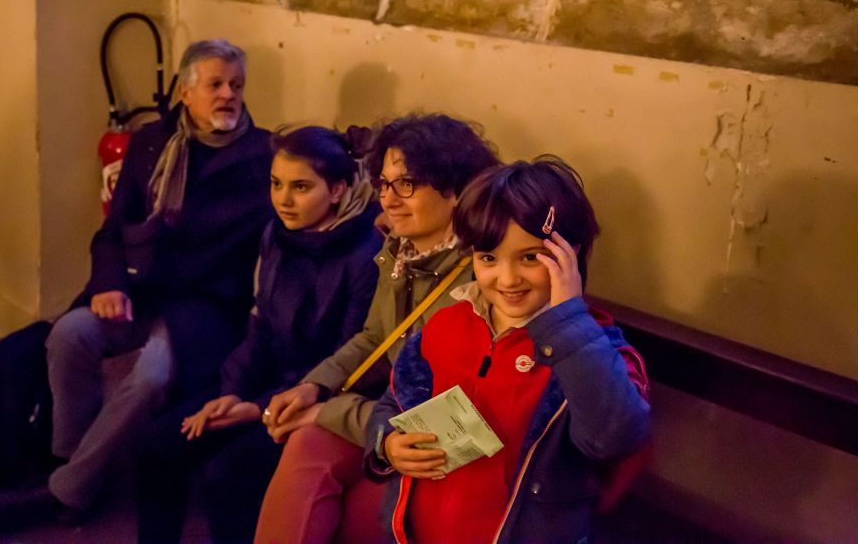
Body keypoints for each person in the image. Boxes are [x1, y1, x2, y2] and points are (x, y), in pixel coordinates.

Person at [0, 39, 274, 532]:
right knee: (69, 335)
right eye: (216, 85)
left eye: (236, 85)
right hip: (142, 289)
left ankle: (65, 493)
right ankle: (74, 461)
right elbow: (114, 229)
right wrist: (109, 283)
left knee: (152, 378)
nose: (229, 95)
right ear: (185, 92)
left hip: (203, 308)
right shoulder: (152, 143)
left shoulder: (261, 158)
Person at [366, 158, 652, 544]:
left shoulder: (595, 349)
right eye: (488, 258)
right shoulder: (445, 324)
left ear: (571, 252)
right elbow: (393, 403)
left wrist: (568, 323)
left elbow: (614, 438)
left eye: (530, 257)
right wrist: (386, 443)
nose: (507, 278)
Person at [254, 113, 500, 544]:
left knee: (360, 511)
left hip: (445, 445)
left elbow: (460, 421)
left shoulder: (483, 277)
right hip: (392, 417)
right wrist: (314, 386)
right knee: (307, 440)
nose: (388, 199)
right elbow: (376, 337)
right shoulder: (401, 250)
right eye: (384, 184)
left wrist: (330, 411)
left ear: (457, 190)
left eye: (406, 184)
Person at [134, 125, 383, 543]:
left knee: (228, 474)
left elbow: (347, 361)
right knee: (157, 446)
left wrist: (259, 408)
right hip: (265, 384)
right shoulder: (277, 234)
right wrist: (232, 391)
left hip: (317, 398)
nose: (283, 199)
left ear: (337, 190)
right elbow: (263, 324)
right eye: (276, 183)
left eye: (301, 187)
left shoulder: (366, 253)